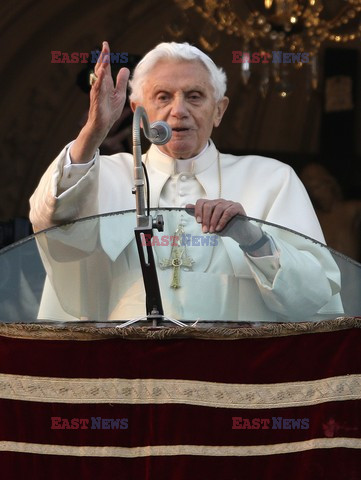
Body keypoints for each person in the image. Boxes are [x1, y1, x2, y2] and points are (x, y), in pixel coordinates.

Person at [29, 41, 342, 323]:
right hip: (126, 367)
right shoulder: (101, 173)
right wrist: (93, 132)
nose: (178, 111)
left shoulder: (271, 179)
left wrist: (255, 240)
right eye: (163, 96)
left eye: (194, 96)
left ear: (219, 110)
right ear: (138, 111)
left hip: (234, 369)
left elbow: (314, 296)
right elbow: (52, 222)